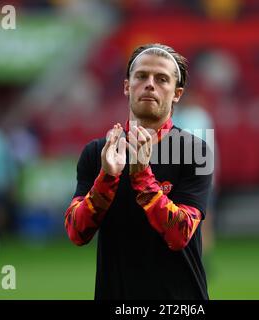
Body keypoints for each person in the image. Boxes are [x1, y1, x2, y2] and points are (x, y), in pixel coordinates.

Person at [64, 43, 213, 299]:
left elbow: (179, 235)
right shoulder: (97, 153)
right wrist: (107, 178)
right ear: (126, 86)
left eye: (162, 79)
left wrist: (141, 174)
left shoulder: (194, 151)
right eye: (141, 76)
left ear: (177, 93)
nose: (150, 84)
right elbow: (77, 233)